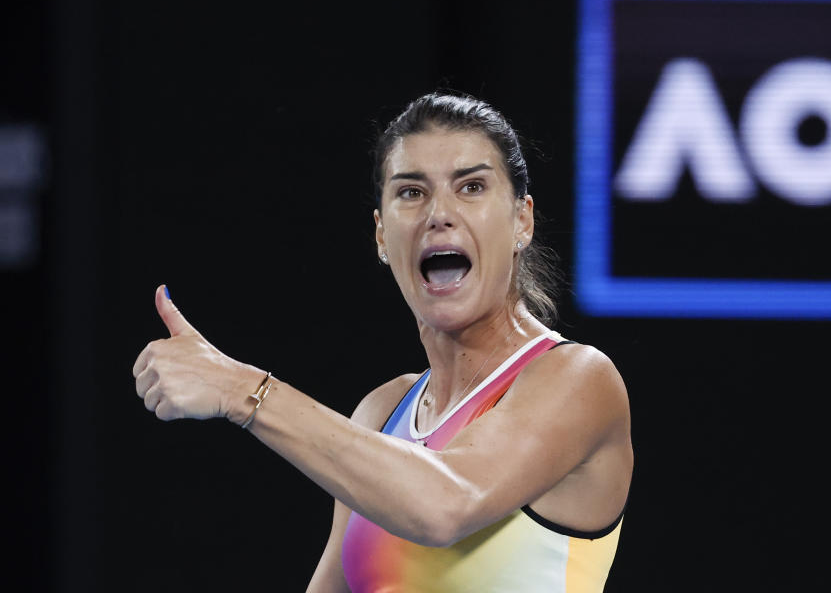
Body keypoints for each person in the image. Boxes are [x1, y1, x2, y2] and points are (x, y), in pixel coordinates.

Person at [132, 93, 633, 592]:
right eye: (411, 192)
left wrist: (240, 388)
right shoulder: (381, 412)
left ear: (521, 219)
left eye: (472, 187)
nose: (440, 213)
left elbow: (445, 504)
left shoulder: (576, 378)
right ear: (380, 234)